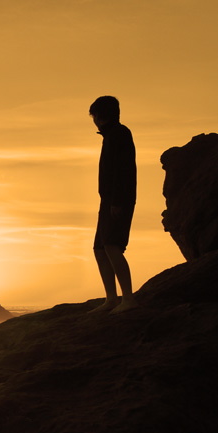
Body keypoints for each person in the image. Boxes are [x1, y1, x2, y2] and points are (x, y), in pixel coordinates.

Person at [88, 95, 139, 314]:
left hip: (118, 200)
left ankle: (128, 298)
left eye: (94, 115)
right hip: (108, 199)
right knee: (100, 248)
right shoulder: (111, 136)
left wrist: (117, 201)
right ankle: (111, 298)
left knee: (112, 245)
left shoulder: (120, 134)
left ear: (99, 115)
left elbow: (124, 170)